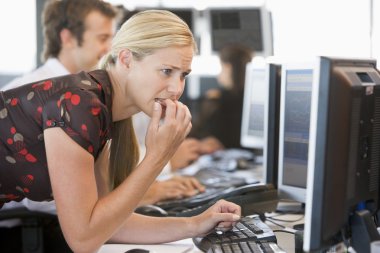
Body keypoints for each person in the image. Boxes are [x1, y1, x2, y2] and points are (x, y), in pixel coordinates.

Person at [0, 9, 241, 253]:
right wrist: (158, 156)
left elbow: (107, 225)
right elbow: (83, 239)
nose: (176, 89)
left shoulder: (102, 109)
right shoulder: (79, 105)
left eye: (183, 75)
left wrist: (196, 224)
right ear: (126, 60)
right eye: (167, 71)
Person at [189, 44, 253, 149]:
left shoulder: (215, 99)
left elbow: (197, 136)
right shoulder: (254, 99)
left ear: (228, 68)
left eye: (221, 67)